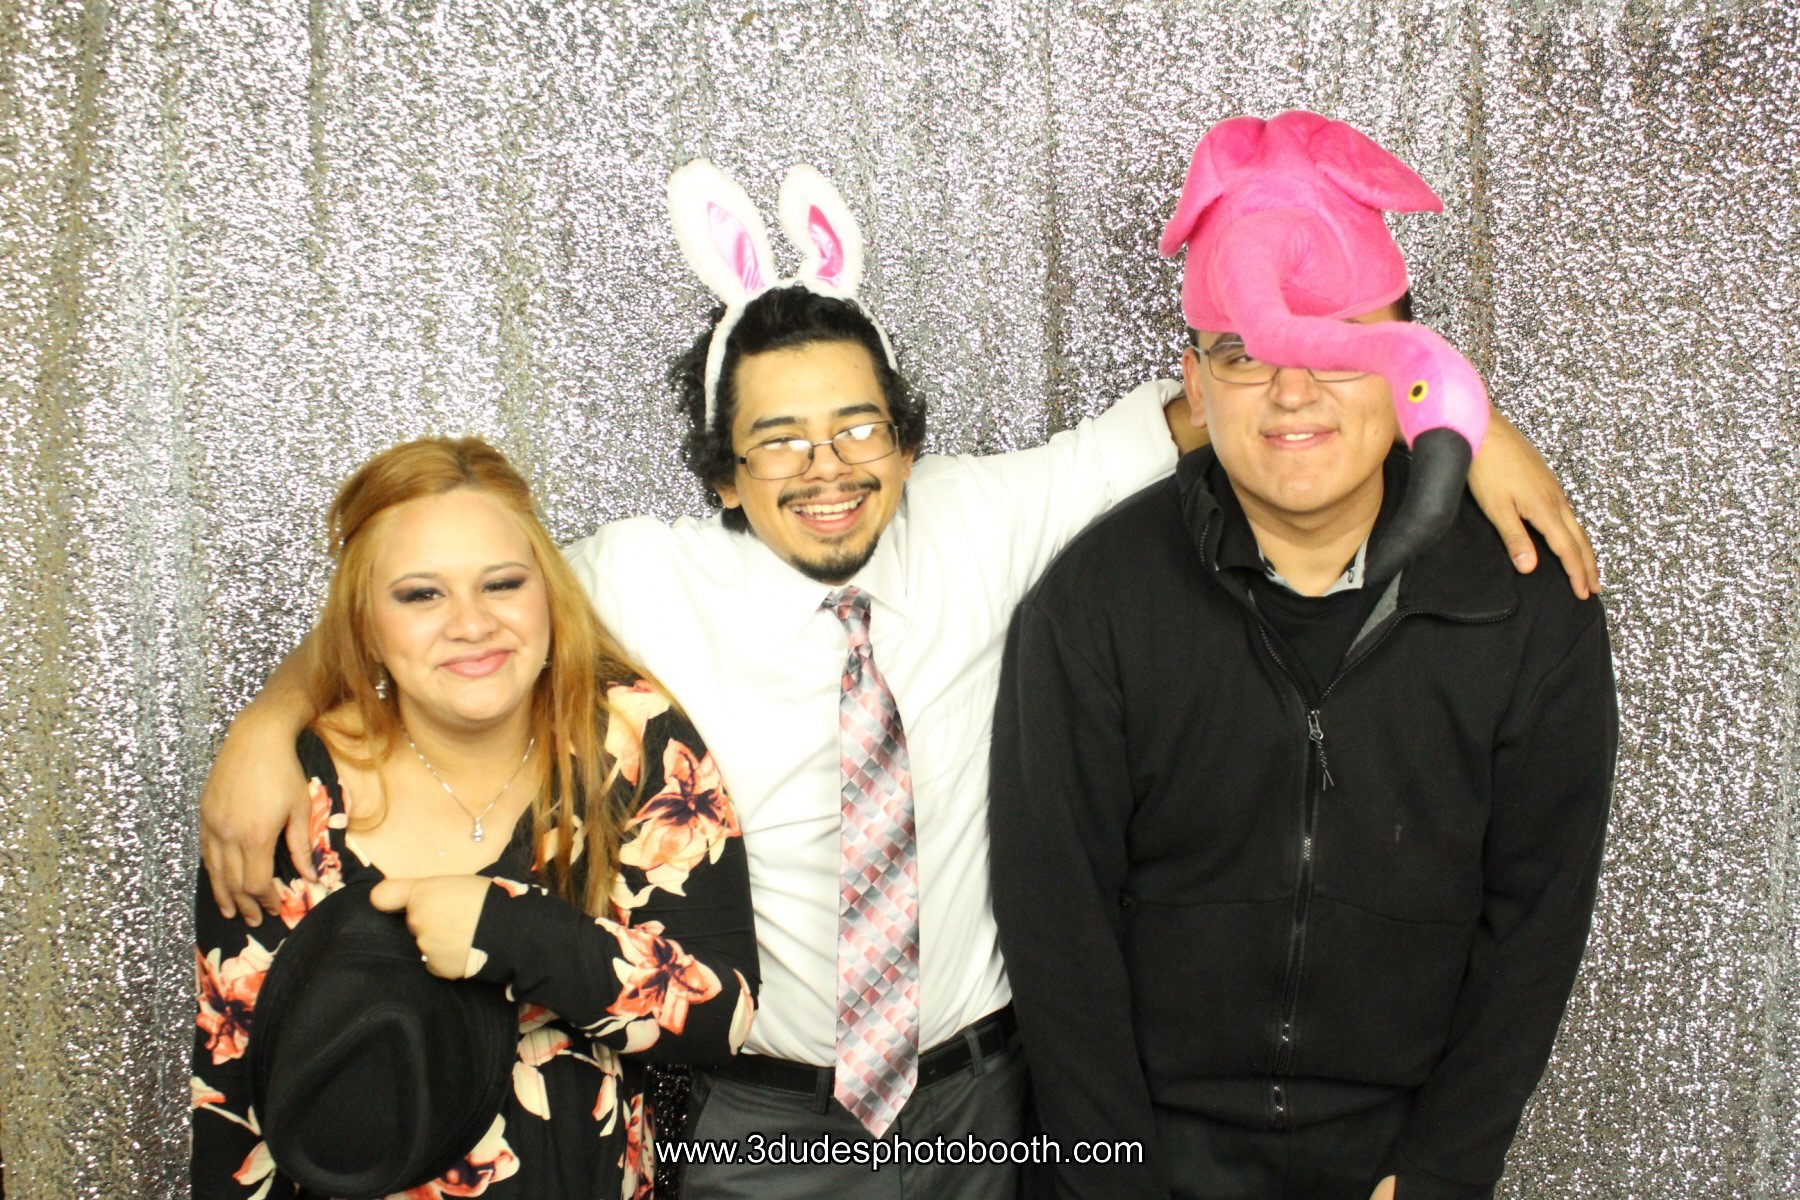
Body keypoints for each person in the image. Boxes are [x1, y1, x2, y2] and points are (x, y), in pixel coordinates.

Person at [197, 161, 1598, 1200]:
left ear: (909, 442)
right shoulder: (634, 576)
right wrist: (269, 721)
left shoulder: (994, 515)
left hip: (988, 1113)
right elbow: (443, 592)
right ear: (725, 475)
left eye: (860, 426)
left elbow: (1254, 396)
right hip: (754, 1119)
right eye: (778, 439)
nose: (828, 466)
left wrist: (1465, 419)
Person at [988, 112, 1617, 1200]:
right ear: (1195, 382)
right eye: (1244, 353)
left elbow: (1537, 919)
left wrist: (1441, 1171)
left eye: (1338, 341)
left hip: (1392, 1156)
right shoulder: (1093, 605)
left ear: (1408, 361)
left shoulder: (1523, 607)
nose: (1292, 390)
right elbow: (1058, 930)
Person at [191, 437, 758, 1200]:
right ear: (366, 624)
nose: (470, 623)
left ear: (547, 593)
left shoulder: (629, 743)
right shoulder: (293, 794)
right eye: (421, 595)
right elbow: (233, 1096)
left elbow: (721, 1014)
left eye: (502, 583)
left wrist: (508, 930)